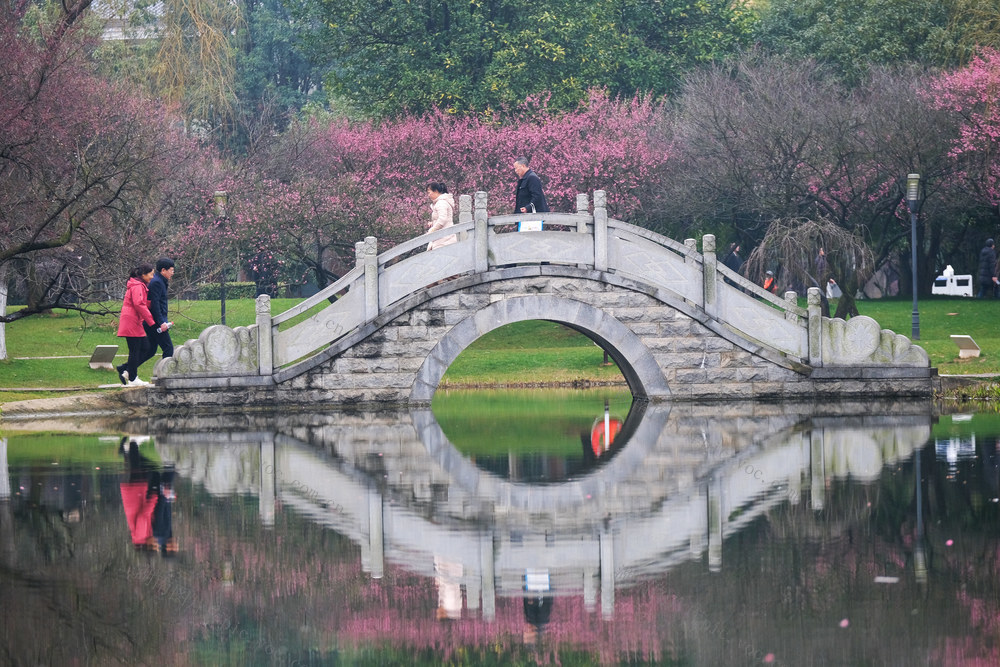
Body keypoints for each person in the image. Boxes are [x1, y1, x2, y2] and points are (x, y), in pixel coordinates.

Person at [115, 264, 157, 386]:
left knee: (144, 347)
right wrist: (151, 321)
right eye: (151, 274)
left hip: (134, 320)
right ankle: (132, 378)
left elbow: (141, 302)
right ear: (143, 275)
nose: (152, 277)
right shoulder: (138, 286)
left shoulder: (139, 285)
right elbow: (138, 304)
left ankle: (126, 370)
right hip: (132, 320)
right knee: (136, 350)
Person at [147, 257, 175, 359]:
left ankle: (125, 369)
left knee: (150, 351)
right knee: (168, 348)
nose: (173, 273)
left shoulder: (160, 281)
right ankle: (165, 373)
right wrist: (161, 322)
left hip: (154, 321)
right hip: (156, 322)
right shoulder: (157, 283)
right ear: (163, 270)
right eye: (171, 270)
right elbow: (155, 305)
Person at [425, 183, 457, 250]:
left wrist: (432, 230)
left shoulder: (441, 203)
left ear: (436, 191)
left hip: (444, 239)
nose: (428, 195)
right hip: (444, 238)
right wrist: (433, 223)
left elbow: (442, 219)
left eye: (429, 192)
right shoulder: (440, 203)